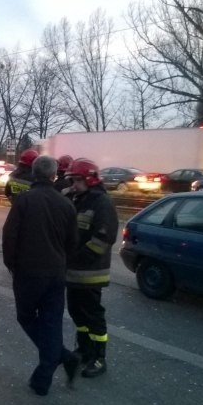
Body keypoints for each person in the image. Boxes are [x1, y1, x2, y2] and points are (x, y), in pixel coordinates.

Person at [2, 155, 82, 396]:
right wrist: (61, 263)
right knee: (52, 322)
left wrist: (12, 266)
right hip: (56, 274)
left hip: (28, 273)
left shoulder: (24, 201)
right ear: (53, 175)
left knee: (26, 317)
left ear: (35, 174)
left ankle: (61, 360)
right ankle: (54, 366)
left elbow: (9, 237)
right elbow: (73, 242)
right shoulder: (66, 204)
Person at [63, 158, 119, 378]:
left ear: (90, 179)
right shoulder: (78, 199)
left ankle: (99, 357)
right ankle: (84, 349)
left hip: (91, 272)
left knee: (93, 314)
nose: (74, 184)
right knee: (77, 312)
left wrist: (78, 257)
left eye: (77, 180)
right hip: (74, 271)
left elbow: (103, 239)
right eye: (72, 180)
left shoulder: (101, 203)